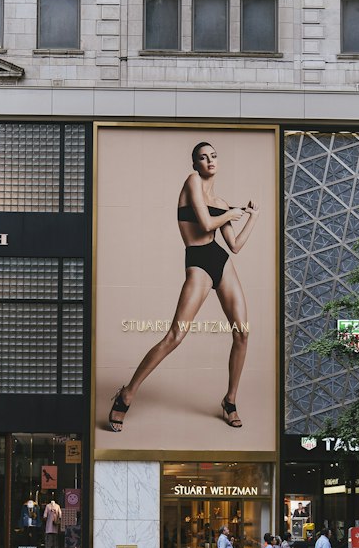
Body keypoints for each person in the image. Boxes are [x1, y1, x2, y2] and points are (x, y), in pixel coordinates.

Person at [108, 142, 257, 432]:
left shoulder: (223, 201)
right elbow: (203, 225)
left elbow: (235, 246)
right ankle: (127, 393)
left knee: (242, 333)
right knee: (175, 335)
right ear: (195, 165)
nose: (209, 161)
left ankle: (230, 400)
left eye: (213, 156)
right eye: (203, 157)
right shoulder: (192, 183)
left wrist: (253, 217)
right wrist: (231, 215)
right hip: (198, 261)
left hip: (220, 259)